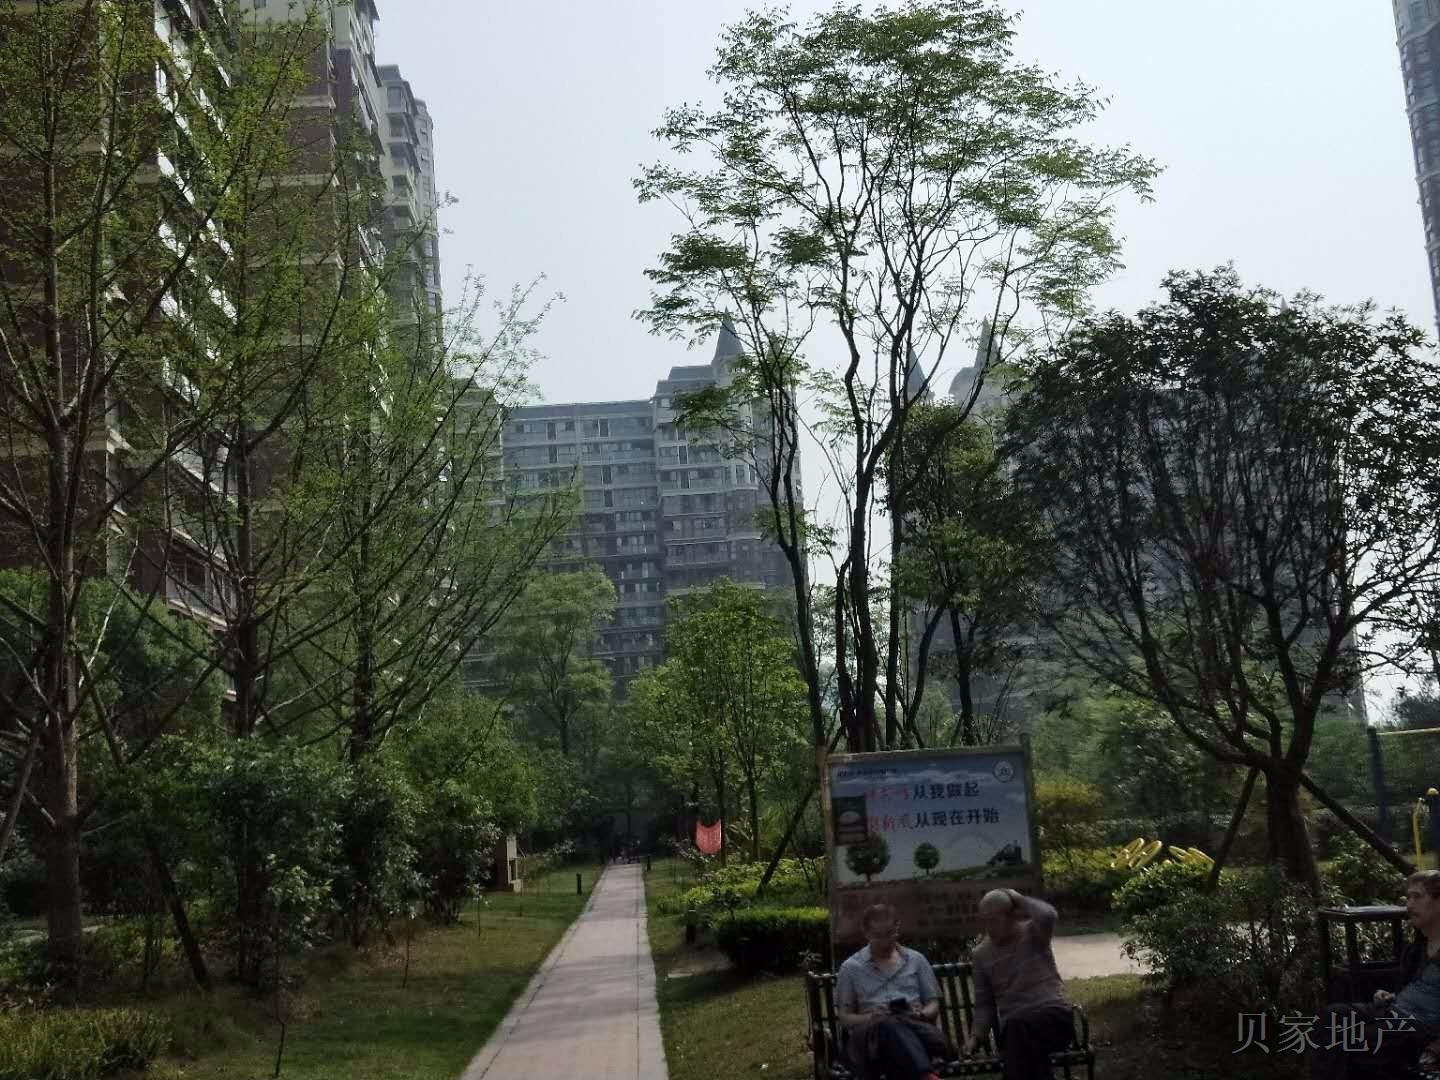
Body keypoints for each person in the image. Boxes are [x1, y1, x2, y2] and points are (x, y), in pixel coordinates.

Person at [1309, 870, 1440, 1079]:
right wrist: (1391, 995)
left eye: (1417, 897)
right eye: (1408, 897)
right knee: (1331, 1017)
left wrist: (1436, 1047)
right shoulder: (1416, 948)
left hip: (1419, 1028)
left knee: (1357, 1042)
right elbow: (1414, 988)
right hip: (1393, 1011)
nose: (1409, 905)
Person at [964, 888, 1073, 1080]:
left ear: (1012, 916)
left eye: (994, 921)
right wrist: (975, 1038)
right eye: (985, 921)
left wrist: (1019, 899)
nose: (989, 928)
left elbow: (1048, 915)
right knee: (1020, 1035)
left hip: (1052, 1018)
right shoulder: (981, 955)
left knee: (1018, 1032)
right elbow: (984, 1005)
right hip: (1016, 1032)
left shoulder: (1034, 933)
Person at [835, 903, 952, 1080]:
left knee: (897, 1024)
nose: (885, 941)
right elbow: (845, 1018)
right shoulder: (851, 968)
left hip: (914, 1028)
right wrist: (873, 1017)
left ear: (898, 928)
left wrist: (919, 1014)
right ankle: (926, 1075)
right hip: (873, 1042)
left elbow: (933, 1004)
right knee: (887, 1022)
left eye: (890, 933)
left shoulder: (916, 960)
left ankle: (922, 1072)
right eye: (878, 936)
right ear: (866, 933)